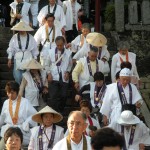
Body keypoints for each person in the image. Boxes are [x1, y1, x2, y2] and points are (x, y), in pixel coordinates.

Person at [0, 81, 37, 149]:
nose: (10, 95)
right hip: (8, 131)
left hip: (21, 131)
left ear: (17, 92)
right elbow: (2, 117)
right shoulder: (6, 102)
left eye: (12, 93)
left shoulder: (25, 102)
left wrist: (26, 123)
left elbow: (34, 115)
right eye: (8, 93)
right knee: (2, 146)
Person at [44, 36, 72, 111]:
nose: (59, 47)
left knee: (64, 95)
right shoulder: (50, 52)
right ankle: (54, 112)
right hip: (53, 76)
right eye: (58, 45)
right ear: (55, 44)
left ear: (64, 44)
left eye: (61, 45)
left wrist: (68, 72)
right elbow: (46, 64)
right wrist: (49, 73)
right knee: (53, 96)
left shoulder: (68, 53)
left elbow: (70, 65)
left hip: (64, 76)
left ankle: (60, 110)